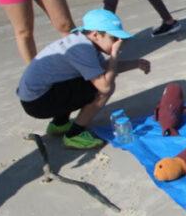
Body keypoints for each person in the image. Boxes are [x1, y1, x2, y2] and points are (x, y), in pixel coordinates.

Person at [17, 8, 150, 149]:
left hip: (35, 97)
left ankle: (59, 124)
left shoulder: (82, 41)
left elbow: (103, 67)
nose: (118, 43)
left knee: (86, 79)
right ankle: (74, 134)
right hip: (38, 103)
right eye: (114, 38)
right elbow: (104, 86)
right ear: (96, 34)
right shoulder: (82, 49)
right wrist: (114, 54)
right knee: (105, 88)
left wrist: (136, 63)